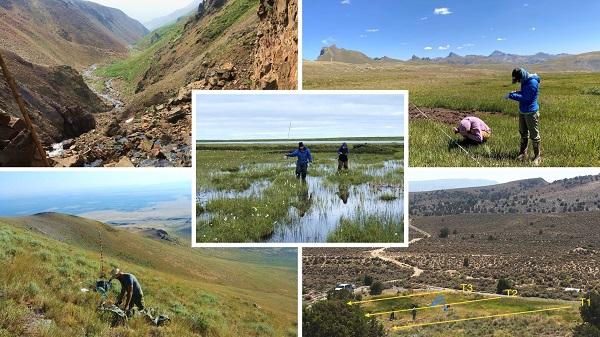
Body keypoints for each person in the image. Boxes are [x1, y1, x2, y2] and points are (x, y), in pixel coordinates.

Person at [506, 67, 542, 166]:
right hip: (523, 111)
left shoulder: (533, 83)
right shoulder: (525, 81)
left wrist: (512, 96)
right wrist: (516, 92)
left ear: (522, 76)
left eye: (518, 80)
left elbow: (527, 99)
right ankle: (523, 153)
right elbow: (524, 93)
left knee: (534, 135)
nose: (518, 82)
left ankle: (537, 156)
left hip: (531, 112)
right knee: (523, 132)